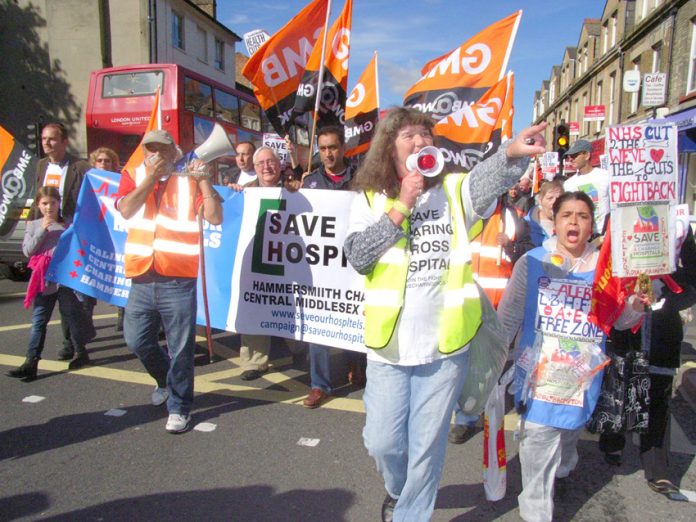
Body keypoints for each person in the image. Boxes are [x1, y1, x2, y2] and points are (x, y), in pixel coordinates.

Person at [343, 107, 544, 521]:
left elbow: (487, 180)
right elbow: (359, 257)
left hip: (444, 348)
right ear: (389, 148)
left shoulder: (452, 191)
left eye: (425, 135)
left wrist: (511, 153)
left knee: (426, 447)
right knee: (382, 442)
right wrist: (402, 204)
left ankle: (410, 513)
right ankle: (400, 491)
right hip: (389, 349)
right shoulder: (368, 199)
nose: (420, 142)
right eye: (409, 136)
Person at [497, 191, 647, 522]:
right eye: (567, 215)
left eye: (582, 215)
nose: (574, 221)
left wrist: (636, 304)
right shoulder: (533, 260)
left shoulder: (607, 269)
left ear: (592, 223)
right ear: (555, 221)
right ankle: (536, 511)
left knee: (567, 433)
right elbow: (508, 315)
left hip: (582, 374)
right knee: (537, 437)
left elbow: (619, 321)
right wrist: (493, 363)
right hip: (537, 372)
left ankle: (565, 464)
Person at [116, 129, 222, 433]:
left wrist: (202, 178)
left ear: (174, 151)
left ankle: (179, 406)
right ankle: (165, 379)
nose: (156, 155)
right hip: (141, 274)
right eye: (150, 149)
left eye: (162, 150)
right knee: (136, 340)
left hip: (177, 277)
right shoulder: (135, 174)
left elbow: (214, 217)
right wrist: (149, 178)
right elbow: (125, 209)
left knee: (181, 347)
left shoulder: (188, 179)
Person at [597, 228, 696, 498]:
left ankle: (657, 467)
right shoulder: (619, 219)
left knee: (659, 394)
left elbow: (693, 281)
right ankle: (612, 439)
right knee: (620, 384)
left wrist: (666, 294)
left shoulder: (680, 228)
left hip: (663, 324)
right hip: (626, 317)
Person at [449, 190, 534, 443]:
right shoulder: (458, 215)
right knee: (460, 361)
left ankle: (478, 413)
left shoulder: (514, 217)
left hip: (497, 307)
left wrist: (512, 246)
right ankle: (463, 416)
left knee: (486, 364)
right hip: (462, 302)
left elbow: (529, 254)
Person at [301, 125, 363, 408]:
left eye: (333, 147)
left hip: (353, 261)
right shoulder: (310, 182)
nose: (327, 153)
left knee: (354, 313)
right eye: (323, 148)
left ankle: (357, 364)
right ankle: (319, 384)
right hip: (322, 265)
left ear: (343, 148)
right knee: (318, 322)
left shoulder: (361, 178)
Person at [229, 146, 301, 380]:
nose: (266, 167)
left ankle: (299, 350)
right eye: (261, 164)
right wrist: (232, 195)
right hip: (257, 261)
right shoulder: (243, 192)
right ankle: (253, 362)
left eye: (271, 162)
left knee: (293, 306)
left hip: (289, 261)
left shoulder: (294, 189)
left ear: (279, 165)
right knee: (254, 306)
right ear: (255, 168)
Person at [6, 187, 93, 380]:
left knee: (72, 317)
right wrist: (42, 229)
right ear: (38, 204)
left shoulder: (68, 223)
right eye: (45, 203)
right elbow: (28, 251)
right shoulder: (33, 225)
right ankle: (31, 361)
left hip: (64, 278)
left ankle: (81, 352)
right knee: (39, 320)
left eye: (53, 203)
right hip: (43, 279)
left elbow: (78, 246)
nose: (49, 207)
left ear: (58, 204)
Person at [29, 123, 95, 363]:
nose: (47, 143)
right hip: (46, 236)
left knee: (70, 296)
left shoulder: (80, 167)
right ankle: (72, 344)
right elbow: (38, 196)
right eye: (44, 139)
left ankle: (72, 344)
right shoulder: (41, 165)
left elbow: (92, 197)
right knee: (49, 296)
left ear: (64, 141)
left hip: (70, 235)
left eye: (52, 139)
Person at [563, 139, 609, 237]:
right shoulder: (568, 184)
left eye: (575, 155)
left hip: (604, 234)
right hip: (581, 236)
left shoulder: (606, 176)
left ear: (587, 155)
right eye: (569, 156)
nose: (570, 159)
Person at [525, 179, 564, 247]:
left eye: (558, 199)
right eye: (550, 198)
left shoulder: (569, 225)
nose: (554, 202)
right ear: (540, 200)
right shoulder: (525, 225)